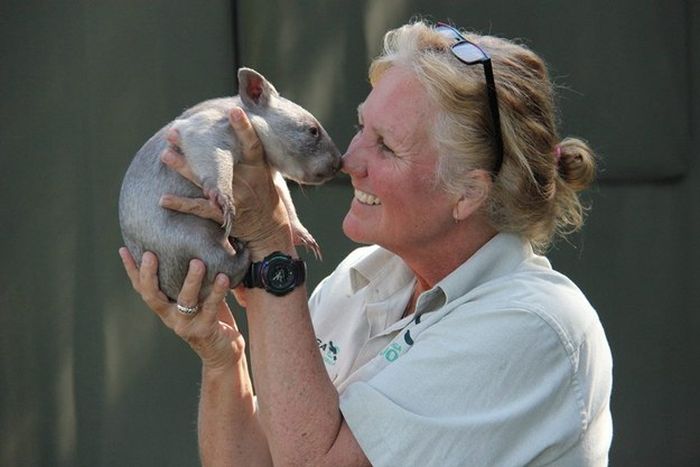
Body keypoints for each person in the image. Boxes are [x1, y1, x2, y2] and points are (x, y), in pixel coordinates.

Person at [119, 20, 612, 466]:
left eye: (387, 146)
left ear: (469, 193)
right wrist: (222, 358)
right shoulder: (361, 282)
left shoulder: (534, 326)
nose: (349, 160)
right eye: (361, 127)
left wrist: (273, 249)